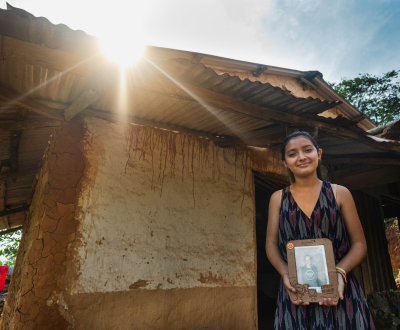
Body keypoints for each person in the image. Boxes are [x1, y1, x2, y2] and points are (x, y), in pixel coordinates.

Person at [266, 131, 375, 330]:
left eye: (307, 150)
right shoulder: (278, 199)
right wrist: (285, 274)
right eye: (292, 154)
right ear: (285, 162)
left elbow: (359, 244)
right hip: (295, 292)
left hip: (340, 291)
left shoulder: (339, 193)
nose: (301, 157)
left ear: (319, 153)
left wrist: (340, 273)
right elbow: (271, 245)